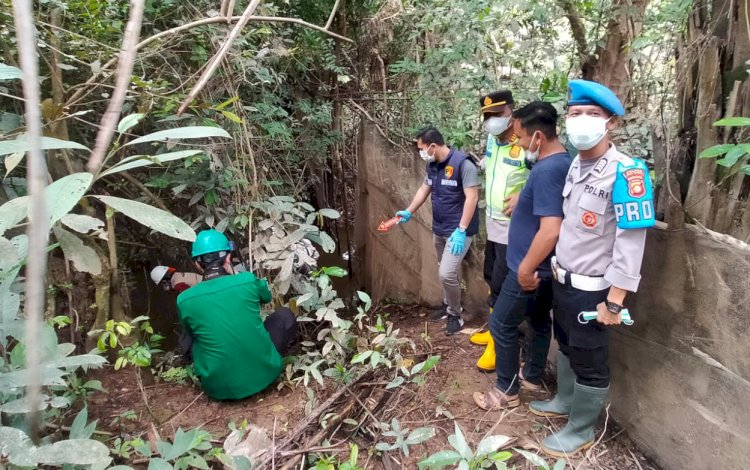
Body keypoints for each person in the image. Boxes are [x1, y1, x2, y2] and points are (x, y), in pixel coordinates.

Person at [529, 80, 654, 457]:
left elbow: (632, 243)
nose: (582, 121)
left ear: (610, 122)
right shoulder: (576, 165)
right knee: (566, 345)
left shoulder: (627, 173)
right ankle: (565, 403)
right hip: (563, 280)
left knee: (590, 359)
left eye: (592, 114)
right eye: (575, 113)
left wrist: (614, 302)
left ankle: (581, 430)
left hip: (594, 291)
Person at [473, 102, 571, 411]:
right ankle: (531, 376)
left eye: (520, 137)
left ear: (538, 137)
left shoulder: (548, 170)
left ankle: (506, 391)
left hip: (529, 266)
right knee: (540, 321)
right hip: (541, 266)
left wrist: (526, 268)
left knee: (501, 324)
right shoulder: (557, 162)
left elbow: (551, 229)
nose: (517, 143)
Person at [176, 229, 298, 400]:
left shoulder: (184, 299)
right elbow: (266, 297)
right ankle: (261, 363)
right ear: (227, 257)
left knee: (190, 335)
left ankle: (217, 372)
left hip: (217, 388)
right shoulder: (247, 280)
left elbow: (190, 332)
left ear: (197, 264)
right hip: (265, 376)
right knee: (285, 315)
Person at [395, 127, 480, 336]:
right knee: (445, 268)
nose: (421, 152)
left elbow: (472, 198)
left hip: (458, 231)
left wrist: (461, 230)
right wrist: (408, 211)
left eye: (422, 148)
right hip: (439, 227)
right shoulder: (432, 164)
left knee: (446, 274)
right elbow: (425, 189)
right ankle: (447, 304)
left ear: (433, 146)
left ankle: (455, 315)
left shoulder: (463, 164)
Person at [472, 90, 530, 371]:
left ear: (511, 112)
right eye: (487, 116)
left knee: (502, 284)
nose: (491, 120)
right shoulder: (492, 141)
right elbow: (490, 165)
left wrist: (524, 195)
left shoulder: (527, 144)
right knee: (489, 275)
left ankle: (499, 343)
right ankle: (493, 329)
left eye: (497, 114)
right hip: (492, 221)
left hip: (514, 228)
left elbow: (547, 174)